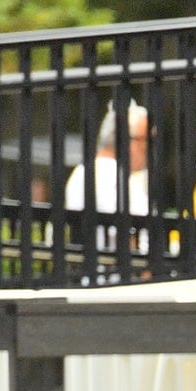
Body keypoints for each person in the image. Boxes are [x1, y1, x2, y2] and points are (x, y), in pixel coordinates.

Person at [65, 100, 150, 267]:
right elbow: (123, 233)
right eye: (145, 140)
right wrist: (145, 273)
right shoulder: (109, 176)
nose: (148, 149)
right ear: (128, 141)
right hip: (121, 282)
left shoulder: (84, 171)